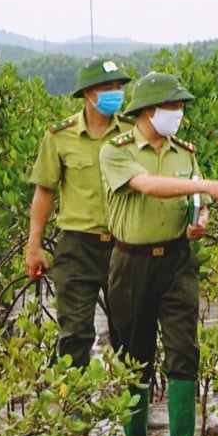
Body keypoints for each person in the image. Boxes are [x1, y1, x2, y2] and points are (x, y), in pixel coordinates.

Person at [99, 71, 218, 436]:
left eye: (181, 106)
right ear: (149, 110)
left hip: (178, 262)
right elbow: (148, 185)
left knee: (184, 352)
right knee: (135, 356)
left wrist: (200, 219)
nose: (179, 113)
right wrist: (205, 187)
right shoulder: (117, 150)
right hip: (131, 263)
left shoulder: (185, 152)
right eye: (173, 106)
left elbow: (194, 201)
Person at [25, 58, 132, 368]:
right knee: (74, 334)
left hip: (124, 246)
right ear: (88, 93)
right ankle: (75, 411)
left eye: (118, 87)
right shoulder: (61, 136)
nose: (115, 93)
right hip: (77, 246)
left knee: (130, 332)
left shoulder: (131, 132)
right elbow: (44, 190)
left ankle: (134, 414)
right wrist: (34, 247)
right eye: (107, 88)